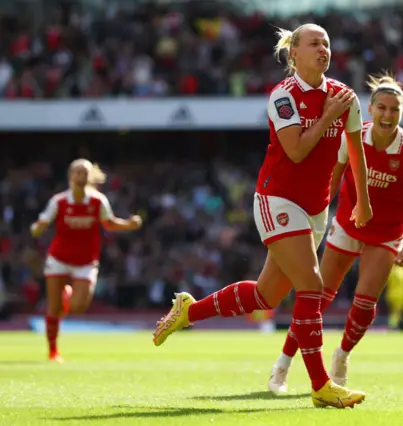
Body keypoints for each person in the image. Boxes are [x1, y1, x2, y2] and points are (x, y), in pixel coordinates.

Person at [152, 23, 372, 409]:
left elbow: (356, 153)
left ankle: (189, 311)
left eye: (327, 43)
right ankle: (321, 386)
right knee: (311, 284)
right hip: (277, 200)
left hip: (316, 207)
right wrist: (326, 117)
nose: (323, 49)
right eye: (314, 43)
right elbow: (298, 150)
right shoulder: (283, 96)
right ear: (295, 55)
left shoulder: (345, 97)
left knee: (266, 295)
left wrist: (363, 201)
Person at [268, 73, 403, 393]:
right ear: (370, 109)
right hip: (347, 223)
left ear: (402, 113)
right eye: (381, 108)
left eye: (394, 109)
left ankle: (342, 354)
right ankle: (282, 365)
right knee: (315, 298)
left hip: (386, 233)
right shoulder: (352, 137)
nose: (387, 115)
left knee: (365, 303)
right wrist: (320, 217)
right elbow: (333, 176)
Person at [31, 159, 143, 363]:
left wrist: (128, 225)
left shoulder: (98, 201)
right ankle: (53, 351)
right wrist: (37, 228)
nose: (81, 176)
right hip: (59, 259)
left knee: (79, 306)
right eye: (77, 172)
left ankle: (68, 296)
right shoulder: (59, 201)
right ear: (70, 176)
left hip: (85, 261)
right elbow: (42, 222)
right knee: (53, 308)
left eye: (85, 173)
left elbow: (109, 223)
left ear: (90, 177)